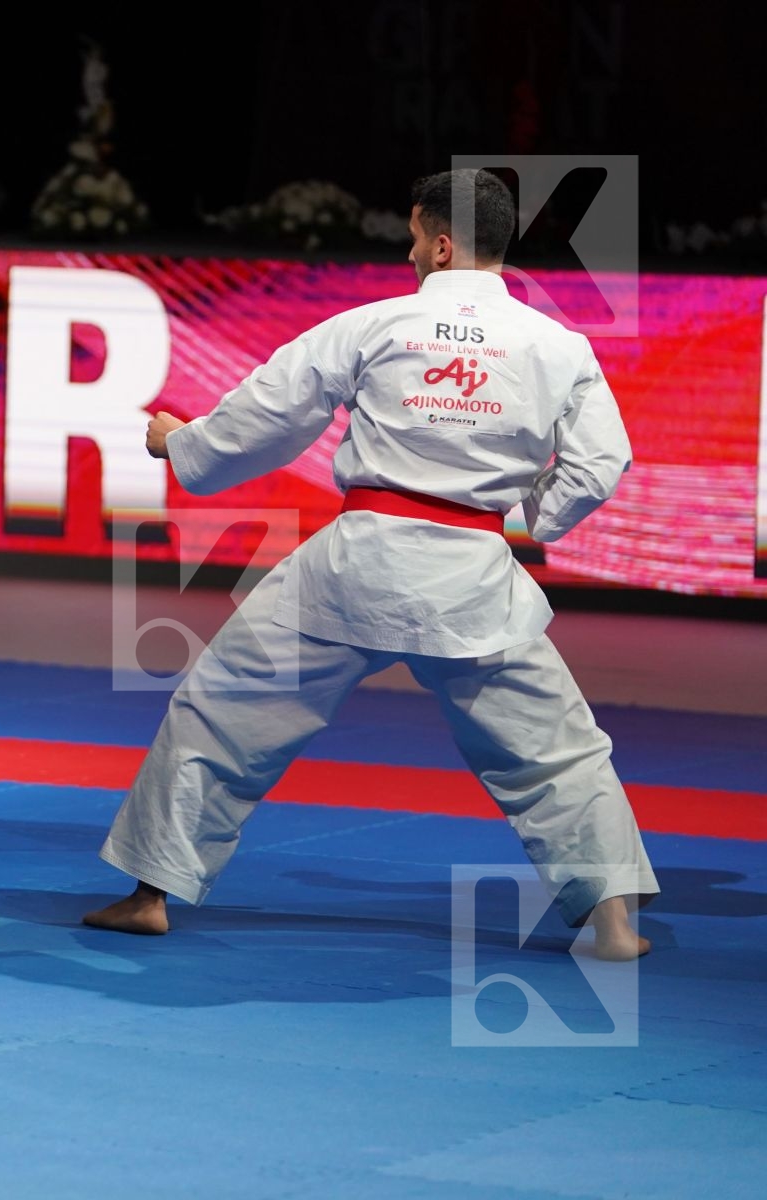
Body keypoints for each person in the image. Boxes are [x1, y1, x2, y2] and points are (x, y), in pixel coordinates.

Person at [82, 168, 658, 961]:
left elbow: (271, 408)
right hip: (476, 578)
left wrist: (182, 444)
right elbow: (603, 462)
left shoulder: (375, 324)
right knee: (559, 753)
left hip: (356, 568)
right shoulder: (559, 347)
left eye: (416, 233)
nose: (409, 248)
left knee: (219, 716)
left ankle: (151, 895)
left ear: (443, 240)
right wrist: (536, 513)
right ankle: (616, 926)